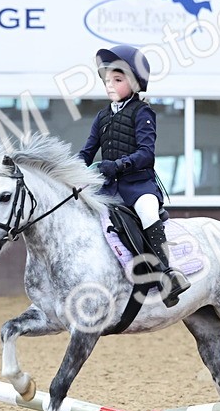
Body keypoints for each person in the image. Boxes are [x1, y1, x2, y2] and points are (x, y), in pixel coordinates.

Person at [78, 44, 191, 307]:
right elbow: (86, 152)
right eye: (108, 80)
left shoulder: (143, 112)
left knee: (148, 213)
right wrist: (70, 174)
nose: (110, 85)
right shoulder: (102, 116)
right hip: (108, 189)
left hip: (138, 185)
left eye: (117, 80)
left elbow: (146, 154)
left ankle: (167, 274)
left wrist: (116, 166)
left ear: (134, 82)